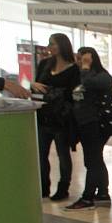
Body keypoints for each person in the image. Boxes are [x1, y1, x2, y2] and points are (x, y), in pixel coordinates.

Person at [63, 47, 112, 210]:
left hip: (97, 123)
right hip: (85, 123)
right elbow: (77, 96)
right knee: (95, 159)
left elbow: (88, 84)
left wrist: (85, 69)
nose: (79, 62)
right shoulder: (80, 75)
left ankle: (88, 197)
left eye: (82, 58)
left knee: (92, 160)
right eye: (78, 58)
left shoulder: (102, 76)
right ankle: (103, 194)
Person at [33, 33, 81, 201]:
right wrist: (34, 85)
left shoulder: (74, 69)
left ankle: (63, 188)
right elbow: (36, 84)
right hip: (43, 114)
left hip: (62, 118)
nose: (49, 47)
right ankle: (43, 187)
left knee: (63, 154)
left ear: (62, 46)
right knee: (41, 154)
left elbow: (76, 93)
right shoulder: (45, 64)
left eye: (53, 44)